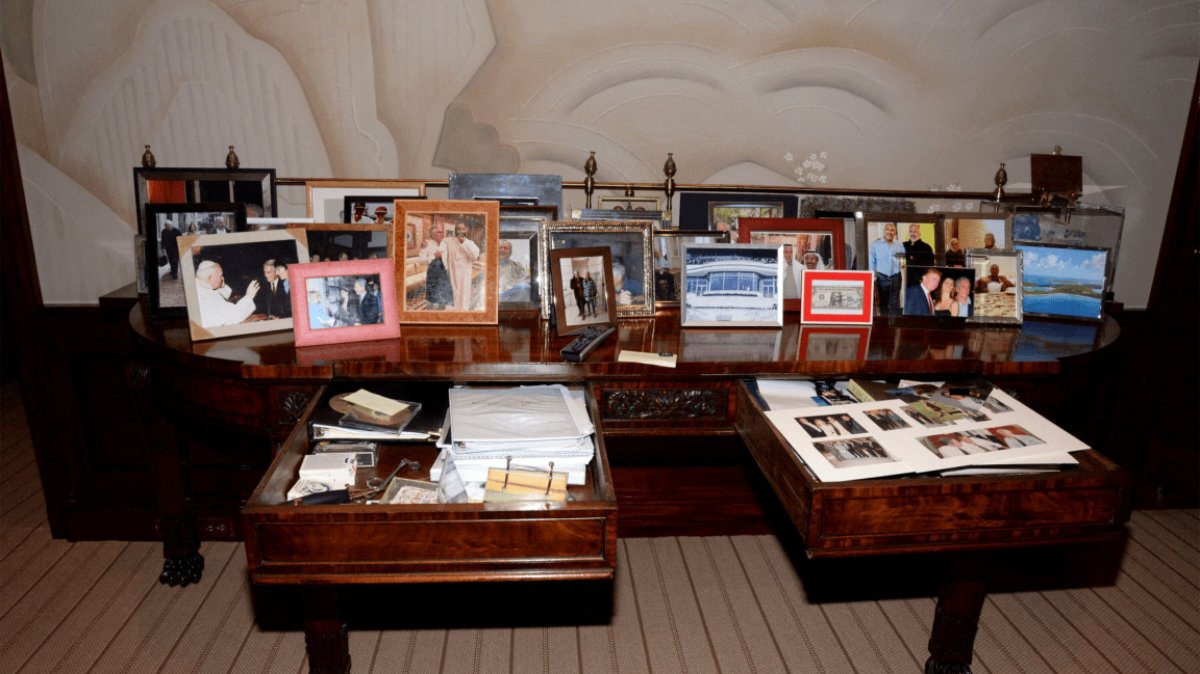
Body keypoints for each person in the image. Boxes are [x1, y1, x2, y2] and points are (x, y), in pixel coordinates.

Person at [193, 260, 259, 327]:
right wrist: (249, 296)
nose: (222, 278)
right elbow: (234, 316)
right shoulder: (209, 296)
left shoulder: (197, 287)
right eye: (220, 275)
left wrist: (222, 287)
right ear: (210, 277)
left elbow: (219, 300)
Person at [445, 221, 481, 311]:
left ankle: (462, 315)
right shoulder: (449, 242)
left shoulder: (470, 243)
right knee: (451, 299)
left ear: (466, 231)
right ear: (455, 231)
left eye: (463, 229)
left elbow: (475, 256)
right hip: (452, 276)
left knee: (463, 298)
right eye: (458, 229)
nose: (461, 231)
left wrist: (464, 242)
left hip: (464, 277)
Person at [869, 222, 904, 315]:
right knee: (883, 304)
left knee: (895, 304)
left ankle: (894, 322)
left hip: (896, 277)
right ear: (884, 231)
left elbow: (903, 262)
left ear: (895, 232)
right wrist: (873, 277)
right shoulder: (876, 244)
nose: (890, 232)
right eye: (887, 229)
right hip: (882, 278)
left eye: (892, 230)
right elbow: (872, 261)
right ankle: (884, 322)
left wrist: (901, 263)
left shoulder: (899, 245)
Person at [418, 224, 454, 309]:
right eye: (439, 232)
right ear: (433, 234)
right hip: (432, 276)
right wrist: (434, 256)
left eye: (442, 232)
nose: (442, 234)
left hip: (444, 276)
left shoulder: (445, 244)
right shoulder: (426, 244)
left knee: (444, 301)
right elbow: (421, 261)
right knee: (432, 302)